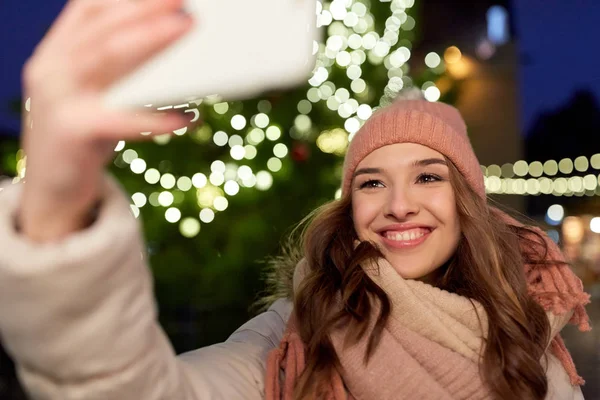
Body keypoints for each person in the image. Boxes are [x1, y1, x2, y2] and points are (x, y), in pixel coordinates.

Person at [0, 0, 591, 399]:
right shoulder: (298, 332)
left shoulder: (527, 326)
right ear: (350, 205)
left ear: (468, 201)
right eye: (372, 182)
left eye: (429, 177)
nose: (399, 204)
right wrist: (56, 218)